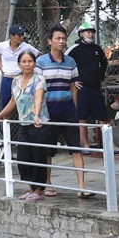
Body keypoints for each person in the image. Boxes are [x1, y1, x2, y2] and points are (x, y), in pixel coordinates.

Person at [0, 49, 51, 200]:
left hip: (39, 124)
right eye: (24, 62)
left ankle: (38, 191)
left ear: (34, 63)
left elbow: (38, 97)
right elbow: (13, 101)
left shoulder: (39, 79)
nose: (27, 64)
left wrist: (37, 115)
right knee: (23, 157)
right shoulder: (16, 81)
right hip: (23, 124)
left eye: (30, 61)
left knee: (38, 156)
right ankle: (31, 188)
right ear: (19, 64)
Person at [33, 25, 83, 197]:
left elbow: (73, 87)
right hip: (49, 112)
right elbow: (37, 89)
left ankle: (82, 187)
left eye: (63, 38)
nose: (62, 41)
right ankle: (48, 184)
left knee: (76, 148)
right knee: (48, 150)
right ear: (49, 41)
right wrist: (38, 113)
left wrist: (76, 110)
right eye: (58, 38)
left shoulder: (71, 62)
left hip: (68, 111)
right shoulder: (40, 62)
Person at [68, 25, 108, 155]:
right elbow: (64, 63)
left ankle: (108, 145)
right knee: (82, 118)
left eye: (92, 32)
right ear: (81, 34)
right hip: (82, 90)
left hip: (96, 88)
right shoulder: (74, 50)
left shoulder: (97, 49)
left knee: (102, 117)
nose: (90, 35)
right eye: (88, 32)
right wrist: (73, 81)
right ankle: (85, 144)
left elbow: (104, 63)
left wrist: (100, 77)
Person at [0, 25, 38, 121]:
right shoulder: (2, 46)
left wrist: (30, 67)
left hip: (21, 78)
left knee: (24, 103)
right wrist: (0, 65)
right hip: (7, 78)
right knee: (6, 105)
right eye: (19, 35)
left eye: (22, 35)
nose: (22, 37)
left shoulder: (26, 47)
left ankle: (26, 125)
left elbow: (39, 55)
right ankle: (7, 132)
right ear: (12, 36)